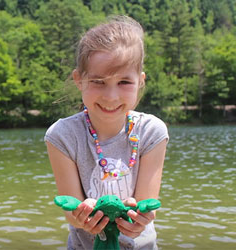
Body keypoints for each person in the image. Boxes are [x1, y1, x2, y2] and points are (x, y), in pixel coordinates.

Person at [45, 16, 169, 249]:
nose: (111, 97)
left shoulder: (152, 131)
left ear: (140, 81)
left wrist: (139, 219)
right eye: (98, 81)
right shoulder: (61, 135)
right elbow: (71, 213)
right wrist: (82, 218)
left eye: (124, 82)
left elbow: (146, 204)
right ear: (79, 80)